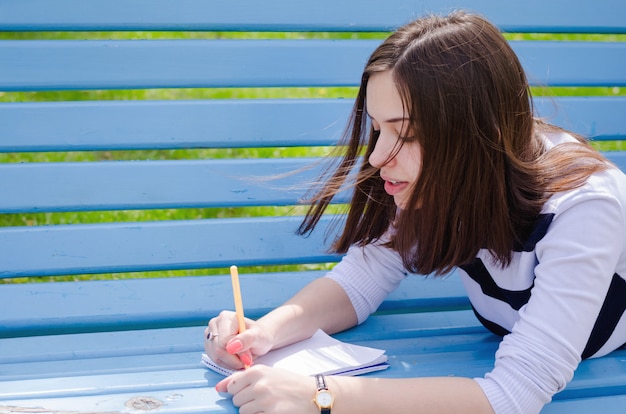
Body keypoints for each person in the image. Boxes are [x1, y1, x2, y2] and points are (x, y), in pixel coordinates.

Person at [204, 11, 626, 414]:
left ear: (477, 135)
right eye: (376, 127)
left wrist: (321, 395)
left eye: (405, 133)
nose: (377, 157)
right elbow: (361, 280)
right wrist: (264, 333)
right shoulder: (441, 174)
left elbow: (514, 396)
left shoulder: (583, 206)